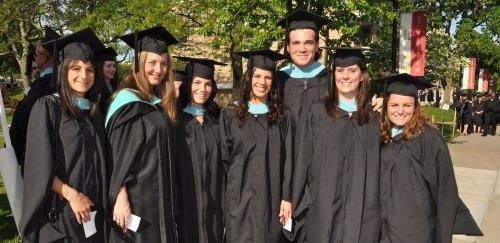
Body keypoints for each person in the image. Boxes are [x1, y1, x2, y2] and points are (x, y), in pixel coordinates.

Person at [19, 28, 108, 243]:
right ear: (63, 70)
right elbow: (38, 165)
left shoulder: (94, 111)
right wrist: (72, 195)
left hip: (94, 208)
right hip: (64, 209)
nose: (83, 76)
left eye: (89, 69)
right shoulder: (48, 107)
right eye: (76, 68)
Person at [379, 73, 481, 242]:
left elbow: (445, 190)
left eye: (407, 105)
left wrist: (442, 235)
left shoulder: (429, 138)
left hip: (415, 230)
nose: (400, 110)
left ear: (415, 107)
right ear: (386, 106)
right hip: (384, 228)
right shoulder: (382, 135)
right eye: (394, 104)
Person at [296, 47, 381, 243]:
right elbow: (302, 160)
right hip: (323, 210)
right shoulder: (316, 113)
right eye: (340, 71)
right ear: (333, 75)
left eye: (352, 70)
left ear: (362, 76)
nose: (345, 76)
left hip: (363, 214)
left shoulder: (374, 118)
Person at [105, 26, 179, 243]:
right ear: (139, 63)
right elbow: (116, 156)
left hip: (159, 196)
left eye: (164, 64)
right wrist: (120, 197)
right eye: (152, 63)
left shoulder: (155, 102)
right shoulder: (126, 102)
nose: (159, 69)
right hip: (137, 198)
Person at [220, 49, 292, 243]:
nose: (262, 82)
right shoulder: (230, 114)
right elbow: (225, 158)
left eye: (268, 77)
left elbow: (289, 160)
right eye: (257, 76)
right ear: (248, 77)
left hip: (271, 196)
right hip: (239, 198)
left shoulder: (282, 116)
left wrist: (286, 197)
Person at [175, 56, 225, 243]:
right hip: (186, 200)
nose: (202, 89)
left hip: (215, 201)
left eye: (207, 84)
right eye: (196, 82)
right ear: (187, 84)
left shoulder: (218, 120)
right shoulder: (175, 121)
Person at [10, 26, 61, 170]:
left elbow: (25, 115)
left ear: (44, 58)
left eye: (37, 55)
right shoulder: (57, 81)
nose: (35, 58)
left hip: (38, 152)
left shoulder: (46, 83)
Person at [96, 46, 119, 114]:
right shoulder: (96, 89)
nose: (112, 69)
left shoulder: (116, 86)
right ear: (100, 68)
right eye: (108, 66)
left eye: (114, 66)